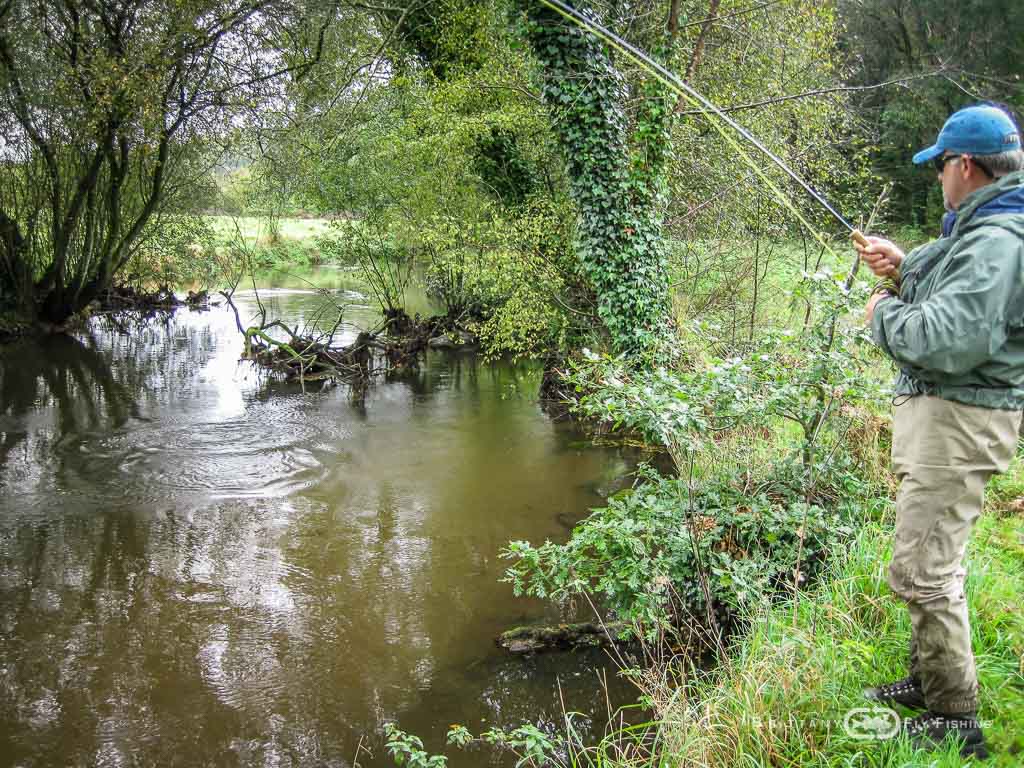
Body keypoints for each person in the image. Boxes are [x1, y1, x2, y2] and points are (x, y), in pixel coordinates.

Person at [857, 103, 1024, 760]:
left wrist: (881, 315)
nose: (938, 180)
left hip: (960, 422)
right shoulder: (985, 228)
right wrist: (903, 267)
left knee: (924, 571)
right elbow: (960, 290)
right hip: (953, 419)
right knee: (927, 556)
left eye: (941, 168)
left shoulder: (996, 240)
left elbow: (949, 338)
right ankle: (932, 680)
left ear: (964, 166)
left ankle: (957, 718)